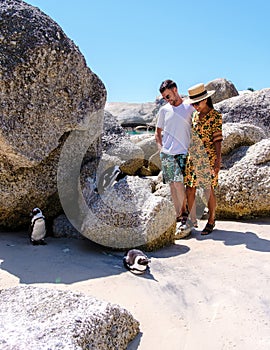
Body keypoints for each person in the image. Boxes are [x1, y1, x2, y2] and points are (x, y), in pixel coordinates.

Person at [184, 83, 223, 235]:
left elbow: (218, 141)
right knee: (190, 189)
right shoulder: (194, 115)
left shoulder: (215, 116)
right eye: (193, 103)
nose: (195, 106)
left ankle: (211, 220)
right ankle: (192, 219)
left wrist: (217, 162)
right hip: (193, 157)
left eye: (197, 103)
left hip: (208, 157)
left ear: (205, 100)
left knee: (208, 189)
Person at [155, 79, 194, 224]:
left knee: (178, 183)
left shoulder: (189, 106)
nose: (166, 100)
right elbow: (157, 133)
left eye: (168, 96)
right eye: (164, 97)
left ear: (175, 90)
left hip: (183, 152)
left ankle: (184, 212)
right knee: (172, 185)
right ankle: (179, 214)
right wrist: (161, 150)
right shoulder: (164, 110)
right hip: (167, 153)